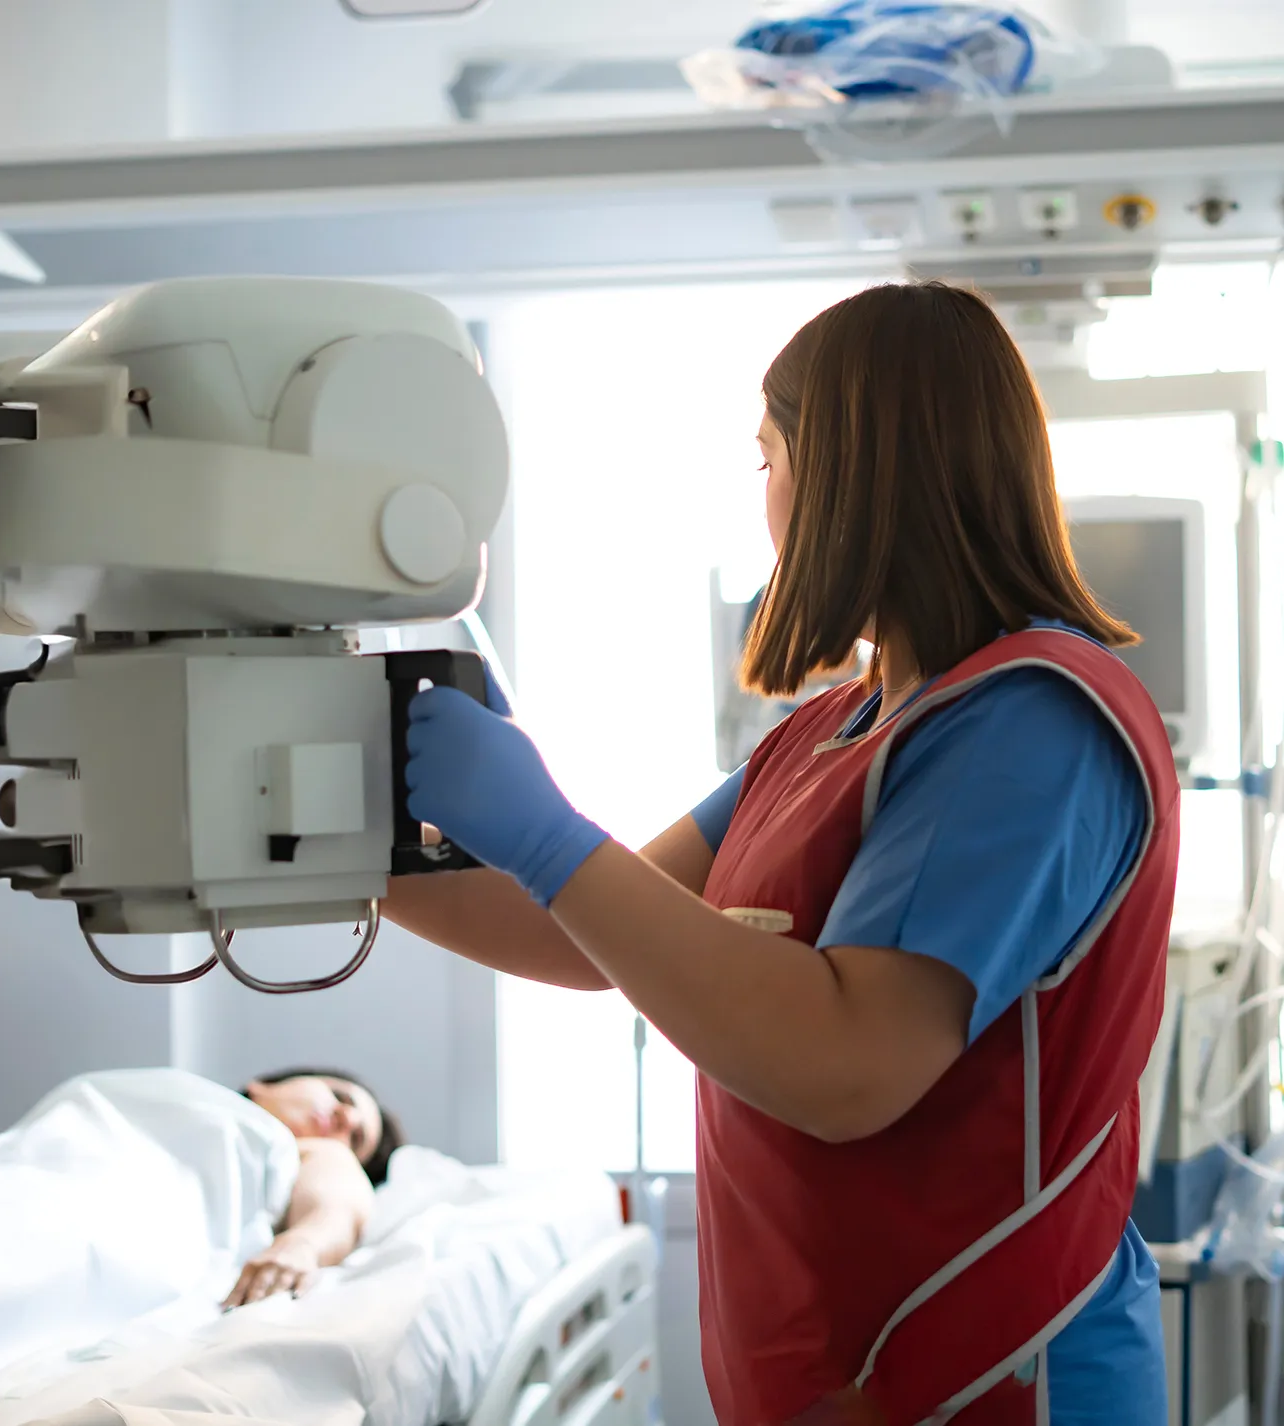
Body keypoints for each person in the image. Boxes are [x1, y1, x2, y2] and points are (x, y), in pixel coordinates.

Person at [387, 282, 1178, 1425]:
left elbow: (844, 1062)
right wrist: (315, 840)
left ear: (850, 471)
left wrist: (547, 830)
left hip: (992, 1386)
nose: (763, 501)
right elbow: (572, 933)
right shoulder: (829, 732)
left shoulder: (1029, 722)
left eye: (766, 461)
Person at [225, 1067, 405, 1308]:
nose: (348, 1118)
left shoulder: (319, 1152)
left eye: (355, 1139)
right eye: (340, 1097)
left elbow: (340, 1203)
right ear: (263, 1084)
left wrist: (302, 1244)